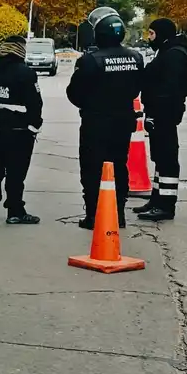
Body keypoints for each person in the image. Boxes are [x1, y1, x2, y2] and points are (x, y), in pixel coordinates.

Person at [66, 13, 144, 229]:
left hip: (96, 122)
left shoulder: (90, 60)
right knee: (119, 165)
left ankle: (93, 215)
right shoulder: (136, 58)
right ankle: (118, 213)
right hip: (123, 122)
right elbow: (137, 88)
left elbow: (74, 93)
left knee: (92, 168)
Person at [0, 35, 42, 224]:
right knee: (16, 173)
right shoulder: (26, 73)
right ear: (20, 49)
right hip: (19, 133)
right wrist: (34, 125)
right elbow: (35, 104)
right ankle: (15, 211)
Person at [135, 17, 187, 221]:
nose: (149, 38)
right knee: (159, 158)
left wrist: (156, 112)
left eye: (152, 34)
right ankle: (156, 199)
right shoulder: (166, 52)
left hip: (165, 114)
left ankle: (166, 205)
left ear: (162, 34)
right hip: (159, 113)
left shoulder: (174, 55)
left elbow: (169, 89)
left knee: (167, 158)